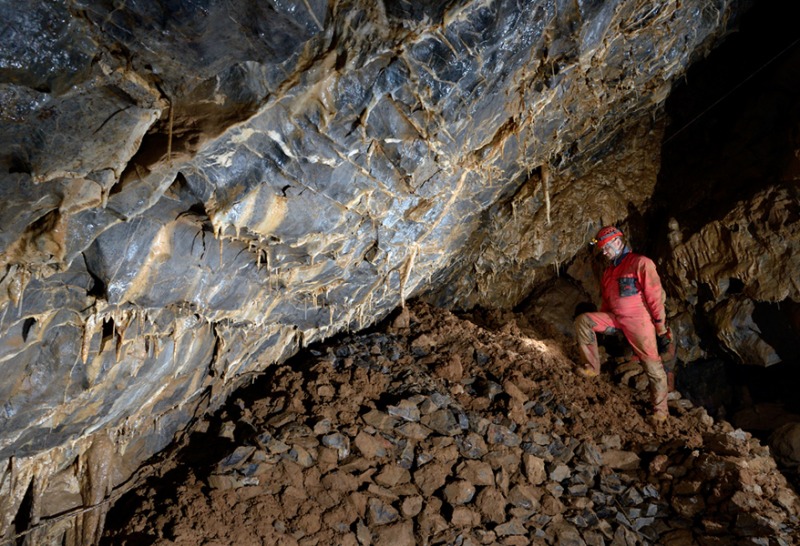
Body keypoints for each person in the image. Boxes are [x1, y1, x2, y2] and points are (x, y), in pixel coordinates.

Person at [574, 226, 672, 422]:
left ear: (618, 242)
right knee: (583, 321)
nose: (604, 252)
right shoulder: (609, 271)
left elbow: (654, 298)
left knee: (653, 366)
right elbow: (607, 301)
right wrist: (601, 322)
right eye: (602, 248)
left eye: (606, 247)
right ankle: (591, 368)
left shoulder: (641, 263)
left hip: (639, 322)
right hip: (616, 318)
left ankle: (661, 412)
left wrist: (660, 329)